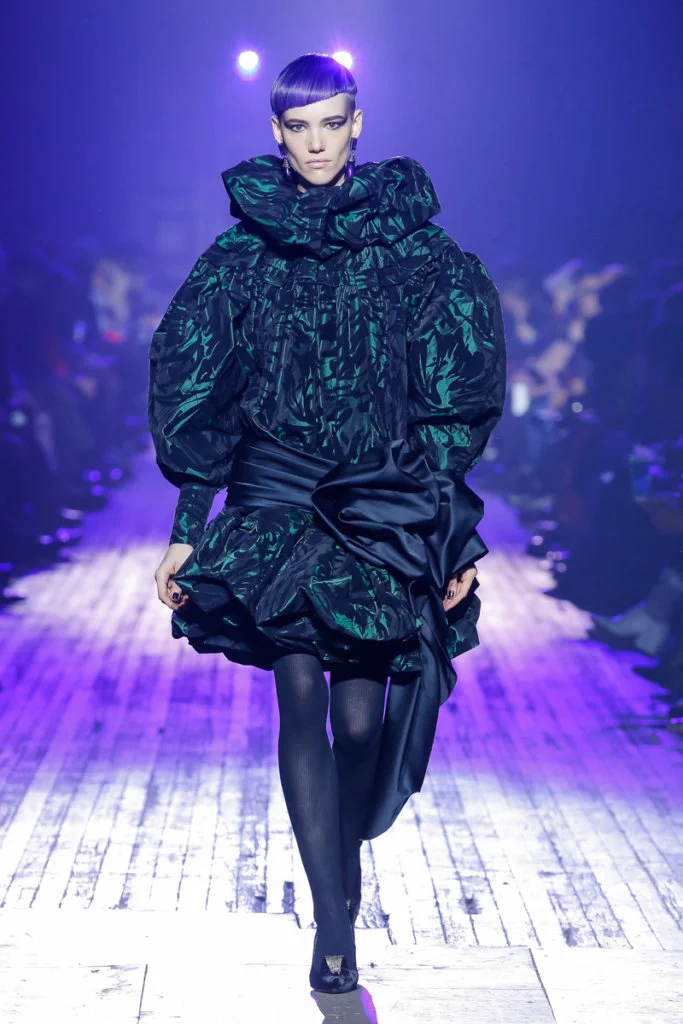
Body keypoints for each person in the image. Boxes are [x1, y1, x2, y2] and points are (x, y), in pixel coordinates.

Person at [148, 53, 506, 994]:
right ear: (276, 132)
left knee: (360, 720)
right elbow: (198, 381)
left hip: (374, 496)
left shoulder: (413, 251)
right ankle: (334, 925)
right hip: (273, 495)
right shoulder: (241, 254)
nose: (315, 144)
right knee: (300, 693)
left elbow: (456, 386)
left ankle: (338, 873)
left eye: (331, 123)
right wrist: (188, 521)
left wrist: (446, 531)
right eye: (298, 127)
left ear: (358, 124)